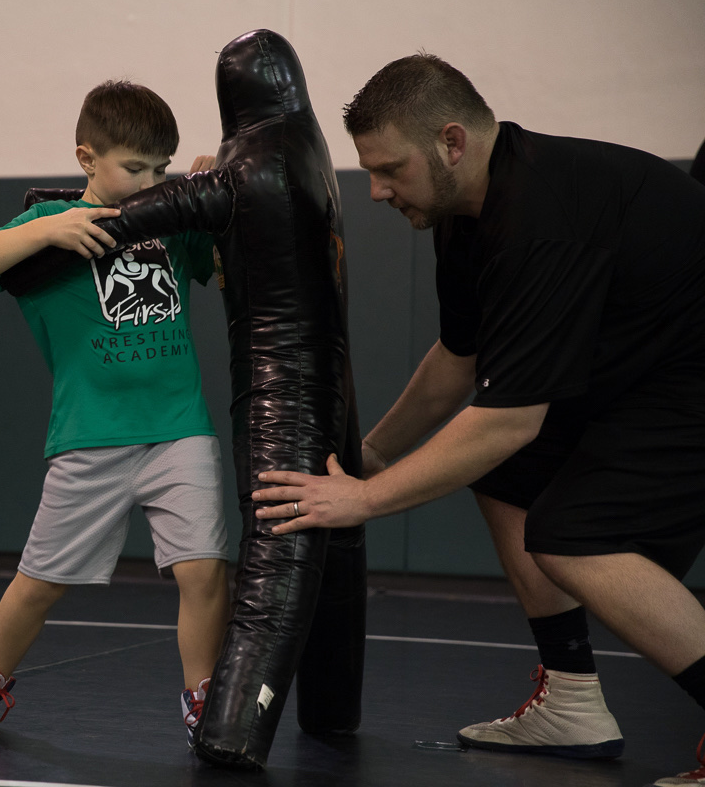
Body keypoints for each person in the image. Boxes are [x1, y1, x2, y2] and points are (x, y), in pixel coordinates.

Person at [249, 54, 705, 785]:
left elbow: (506, 421)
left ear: (452, 142)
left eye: (391, 169)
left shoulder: (540, 219)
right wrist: (369, 455)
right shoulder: (467, 216)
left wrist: (365, 498)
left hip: (685, 382)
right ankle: (573, 701)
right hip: (641, 373)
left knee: (571, 536)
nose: (376, 191)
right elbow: (460, 360)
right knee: (508, 482)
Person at [0, 80, 230, 741]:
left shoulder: (169, 223)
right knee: (39, 582)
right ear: (87, 158)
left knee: (203, 568)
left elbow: (228, 270)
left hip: (178, 428)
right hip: (91, 437)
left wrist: (218, 200)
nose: (150, 181)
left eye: (162, 169)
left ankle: (203, 694)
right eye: (134, 168)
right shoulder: (51, 230)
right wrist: (48, 227)